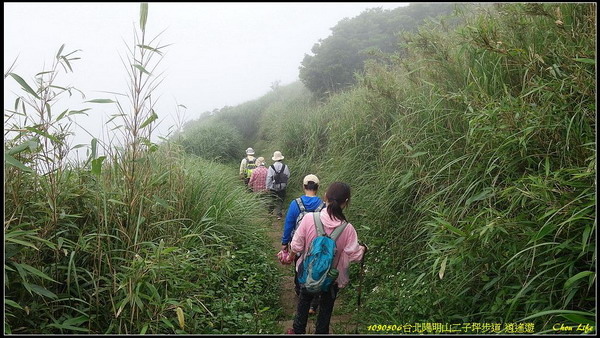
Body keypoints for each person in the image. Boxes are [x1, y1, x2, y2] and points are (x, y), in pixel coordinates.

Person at [284, 182, 367, 334]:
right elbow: (355, 256)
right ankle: (321, 331)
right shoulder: (348, 229)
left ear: (325, 197)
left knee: (304, 300)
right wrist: (363, 249)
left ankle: (298, 329)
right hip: (331, 278)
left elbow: (296, 246)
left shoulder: (309, 219)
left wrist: (290, 257)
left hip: (308, 273)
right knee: (326, 308)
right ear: (346, 202)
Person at [281, 174, 326, 313]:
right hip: (317, 245)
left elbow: (289, 223)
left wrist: (285, 242)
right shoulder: (323, 205)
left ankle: (300, 292)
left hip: (299, 245)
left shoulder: (296, 204)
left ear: (304, 187)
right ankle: (314, 303)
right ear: (317, 188)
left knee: (300, 267)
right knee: (316, 269)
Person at [266, 151, 290, 220]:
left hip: (273, 187)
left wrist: (267, 187)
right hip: (282, 187)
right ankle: (279, 214)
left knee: (272, 199)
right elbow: (287, 175)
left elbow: (269, 177)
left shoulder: (271, 167)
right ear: (281, 158)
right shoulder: (285, 166)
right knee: (280, 200)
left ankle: (270, 213)